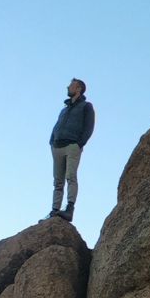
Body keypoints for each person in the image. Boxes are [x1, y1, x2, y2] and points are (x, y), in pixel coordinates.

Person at [47, 78, 95, 222]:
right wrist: (51, 141)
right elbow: (57, 125)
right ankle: (54, 211)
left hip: (72, 145)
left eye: (71, 85)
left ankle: (69, 209)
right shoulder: (64, 109)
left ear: (78, 88)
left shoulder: (86, 106)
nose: (68, 87)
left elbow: (89, 127)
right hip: (57, 146)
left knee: (71, 177)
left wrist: (80, 143)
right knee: (58, 181)